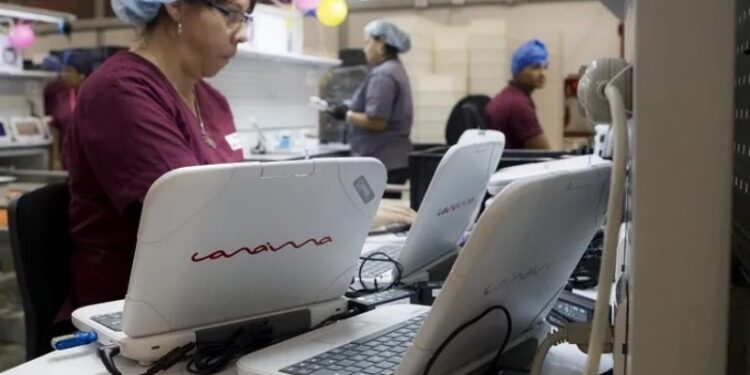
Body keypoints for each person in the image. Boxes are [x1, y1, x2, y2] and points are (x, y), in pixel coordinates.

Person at [64, 0, 414, 311]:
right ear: (174, 7)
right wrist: (335, 214)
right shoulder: (121, 92)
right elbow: (200, 219)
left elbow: (240, 202)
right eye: (231, 14)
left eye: (245, 18)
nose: (242, 34)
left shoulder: (213, 101)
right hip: (135, 313)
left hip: (218, 295)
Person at [332, 21, 414, 190]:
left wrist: (346, 115)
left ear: (381, 44)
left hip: (382, 160)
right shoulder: (395, 69)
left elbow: (377, 122)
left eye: (367, 42)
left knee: (378, 215)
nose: (365, 49)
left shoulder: (383, 75)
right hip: (393, 160)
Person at [485, 39, 551, 150]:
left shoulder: (509, 95)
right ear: (518, 71)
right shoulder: (518, 105)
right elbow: (544, 152)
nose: (543, 74)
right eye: (535, 67)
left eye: (545, 67)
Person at [46, 50, 94, 169]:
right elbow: (56, 130)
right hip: (67, 160)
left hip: (90, 160)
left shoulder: (94, 96)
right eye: (64, 70)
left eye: (69, 71)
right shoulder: (62, 97)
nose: (64, 74)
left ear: (82, 75)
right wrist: (56, 159)